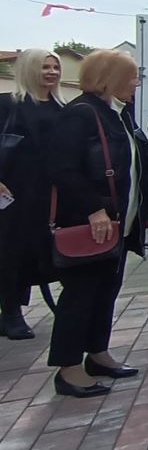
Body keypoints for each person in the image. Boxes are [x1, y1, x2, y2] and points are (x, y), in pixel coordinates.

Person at [48, 50, 148, 398]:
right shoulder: (81, 114)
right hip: (93, 225)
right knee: (79, 296)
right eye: (131, 77)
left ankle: (98, 353)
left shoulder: (118, 114)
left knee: (105, 293)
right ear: (109, 77)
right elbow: (62, 168)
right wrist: (93, 208)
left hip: (118, 226)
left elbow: (131, 159)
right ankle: (68, 369)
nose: (136, 83)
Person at [0, 49, 64, 340]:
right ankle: (11, 311)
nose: (51, 72)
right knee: (10, 251)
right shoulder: (7, 105)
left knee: (37, 250)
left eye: (55, 67)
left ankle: (17, 306)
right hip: (13, 191)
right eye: (44, 67)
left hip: (48, 193)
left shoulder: (63, 108)